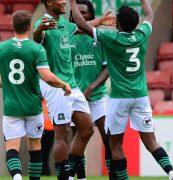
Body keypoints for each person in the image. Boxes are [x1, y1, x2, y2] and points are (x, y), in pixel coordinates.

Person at [69, 0, 173, 180]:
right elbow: (150, 15)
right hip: (141, 97)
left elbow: (81, 25)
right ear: (136, 23)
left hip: (119, 98)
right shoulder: (142, 34)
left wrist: (72, 3)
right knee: (151, 141)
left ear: (118, 24)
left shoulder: (111, 38)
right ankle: (171, 172)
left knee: (114, 144)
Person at [33, 1, 115, 179]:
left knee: (87, 129)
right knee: (62, 134)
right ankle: (64, 176)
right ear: (48, 2)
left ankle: (70, 172)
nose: (64, 2)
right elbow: (36, 38)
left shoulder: (65, 24)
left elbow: (82, 27)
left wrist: (101, 20)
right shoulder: (43, 23)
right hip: (56, 86)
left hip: (73, 86)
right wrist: (38, 29)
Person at [0, 10, 71, 180]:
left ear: (12, 25)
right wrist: (63, 84)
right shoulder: (36, 48)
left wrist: (5, 85)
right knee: (35, 146)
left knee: (12, 147)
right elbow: (46, 77)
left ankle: (17, 177)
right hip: (33, 106)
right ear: (29, 27)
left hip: (11, 107)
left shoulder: (1, 48)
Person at [68, 0, 115, 179]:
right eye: (76, 13)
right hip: (74, 98)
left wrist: (90, 87)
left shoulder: (99, 37)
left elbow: (108, 67)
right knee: (79, 140)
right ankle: (81, 177)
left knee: (108, 139)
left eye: (84, 13)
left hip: (97, 97)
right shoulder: (66, 37)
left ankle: (113, 175)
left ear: (91, 15)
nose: (79, 15)